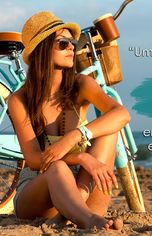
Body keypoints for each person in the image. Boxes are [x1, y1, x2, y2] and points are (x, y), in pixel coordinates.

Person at [8, 11, 130, 230]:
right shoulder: (20, 99)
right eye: (63, 43)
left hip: (84, 187)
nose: (72, 47)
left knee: (109, 131)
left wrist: (77, 134)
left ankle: (70, 214)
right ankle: (88, 220)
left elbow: (121, 114)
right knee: (58, 169)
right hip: (38, 193)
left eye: (73, 42)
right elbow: (35, 159)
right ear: (42, 50)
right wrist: (81, 157)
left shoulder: (81, 84)